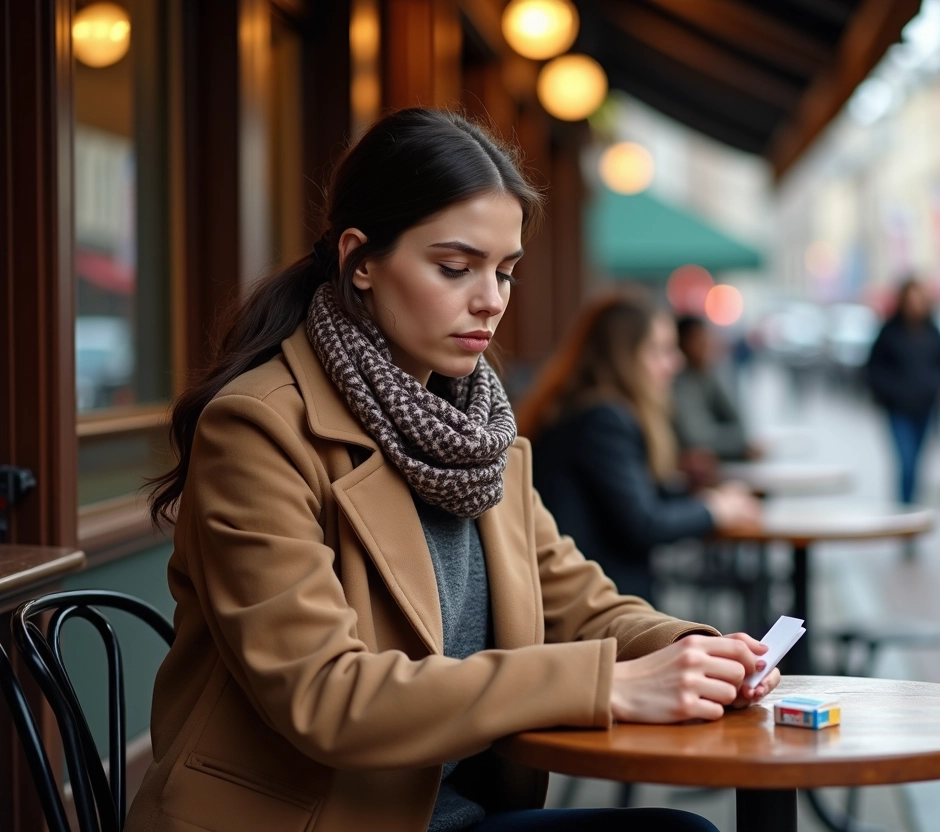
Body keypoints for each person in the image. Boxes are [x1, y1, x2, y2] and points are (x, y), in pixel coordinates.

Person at [131, 109, 781, 832]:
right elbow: (326, 694)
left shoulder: (479, 431)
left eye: (505, 272)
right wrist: (609, 686)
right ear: (362, 259)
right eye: (455, 267)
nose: (491, 300)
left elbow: (579, 602)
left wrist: (690, 649)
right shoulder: (258, 427)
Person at [517, 296, 761, 604]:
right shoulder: (603, 419)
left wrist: (704, 497)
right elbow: (643, 524)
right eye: (661, 351)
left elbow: (637, 497)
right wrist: (716, 510)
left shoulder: (584, 409)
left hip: (592, 592)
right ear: (624, 357)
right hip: (599, 603)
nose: (676, 362)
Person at [865, 280, 940, 506]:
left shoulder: (932, 331)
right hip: (898, 409)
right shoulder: (889, 331)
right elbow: (873, 368)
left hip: (925, 408)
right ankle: (904, 509)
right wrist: (889, 392)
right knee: (906, 461)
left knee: (918, 463)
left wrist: (935, 387)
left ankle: (912, 510)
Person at [671, 315, 759, 471]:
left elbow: (740, 422)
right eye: (699, 341)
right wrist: (740, 444)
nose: (706, 346)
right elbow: (696, 437)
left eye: (708, 340)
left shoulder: (709, 373)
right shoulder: (678, 381)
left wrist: (719, 371)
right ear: (681, 344)